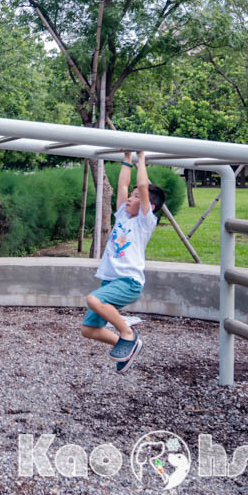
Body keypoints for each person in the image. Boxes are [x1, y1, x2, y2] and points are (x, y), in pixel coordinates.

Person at [80, 151, 165, 374]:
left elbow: (143, 188)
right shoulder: (123, 216)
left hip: (129, 282)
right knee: (88, 329)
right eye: (132, 196)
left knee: (93, 299)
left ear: (149, 206)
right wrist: (127, 158)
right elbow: (122, 187)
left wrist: (141, 160)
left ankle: (128, 333)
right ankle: (126, 344)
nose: (130, 198)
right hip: (111, 282)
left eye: (136, 198)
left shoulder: (145, 222)